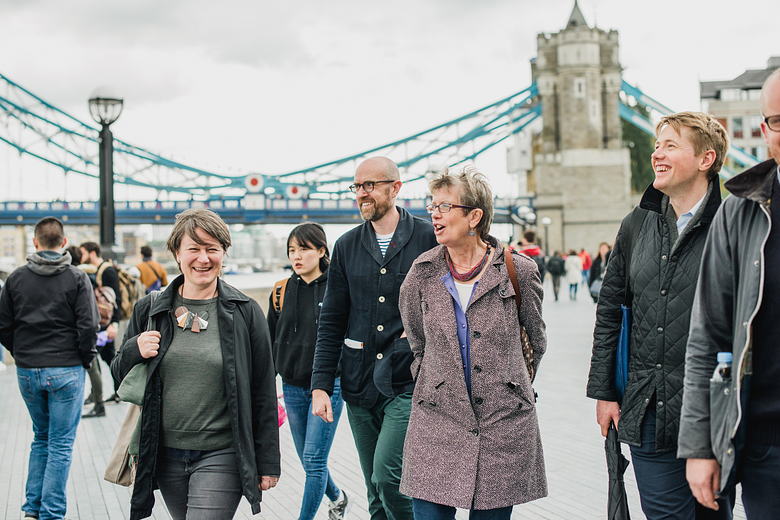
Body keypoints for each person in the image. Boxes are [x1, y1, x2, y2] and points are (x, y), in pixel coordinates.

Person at [587, 111, 731, 520]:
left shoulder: (732, 221)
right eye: (656, 145)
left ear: (706, 159)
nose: (657, 154)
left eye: (670, 145)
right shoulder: (636, 224)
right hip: (648, 403)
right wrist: (604, 392)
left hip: (715, 406)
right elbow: (610, 310)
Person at [111, 208, 280, 519]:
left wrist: (268, 461)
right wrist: (135, 348)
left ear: (223, 253)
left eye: (212, 249)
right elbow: (118, 376)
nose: (203, 258)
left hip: (223, 452)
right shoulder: (150, 310)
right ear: (177, 252)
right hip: (166, 455)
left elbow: (263, 390)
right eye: (194, 248)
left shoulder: (246, 312)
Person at [398, 167, 547, 519]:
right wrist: (434, 380)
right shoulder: (421, 273)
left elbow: (536, 341)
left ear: (474, 216)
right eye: (432, 206)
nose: (434, 214)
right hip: (436, 420)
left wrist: (509, 386)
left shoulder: (519, 271)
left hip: (502, 424)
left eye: (445, 206)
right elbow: (418, 343)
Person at [310, 156, 438, 520]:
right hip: (358, 382)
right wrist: (321, 384)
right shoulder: (347, 245)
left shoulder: (429, 238)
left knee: (388, 476)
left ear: (395, 188)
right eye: (357, 187)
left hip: (408, 381)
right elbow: (332, 319)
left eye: (370, 185)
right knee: (373, 488)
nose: (362, 194)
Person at [678, 69, 780, 518]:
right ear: (764, 131)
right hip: (767, 447)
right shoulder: (739, 213)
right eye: (779, 120)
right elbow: (708, 337)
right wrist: (701, 447)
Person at [0, 217, 99, 520]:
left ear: (35, 242)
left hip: (28, 370)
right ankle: (51, 514)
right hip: (67, 369)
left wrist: (22, 354)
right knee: (60, 444)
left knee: (40, 437)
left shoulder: (16, 278)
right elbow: (89, 325)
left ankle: (32, 509)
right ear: (64, 242)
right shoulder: (77, 278)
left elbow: (3, 326)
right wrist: (84, 359)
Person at [267, 222, 352, 520]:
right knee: (308, 461)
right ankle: (339, 497)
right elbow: (269, 342)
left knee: (314, 460)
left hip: (329, 387)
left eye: (303, 249)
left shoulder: (337, 288)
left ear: (321, 251)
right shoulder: (280, 291)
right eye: (292, 250)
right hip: (291, 388)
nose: (296, 256)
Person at [80, 241, 122, 416]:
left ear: (91, 253)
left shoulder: (107, 271)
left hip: (106, 323)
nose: (82, 256)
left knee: (98, 359)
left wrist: (114, 323)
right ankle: (115, 392)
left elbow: (115, 299)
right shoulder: (100, 270)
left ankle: (103, 399)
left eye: (83, 253)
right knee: (107, 357)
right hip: (103, 322)